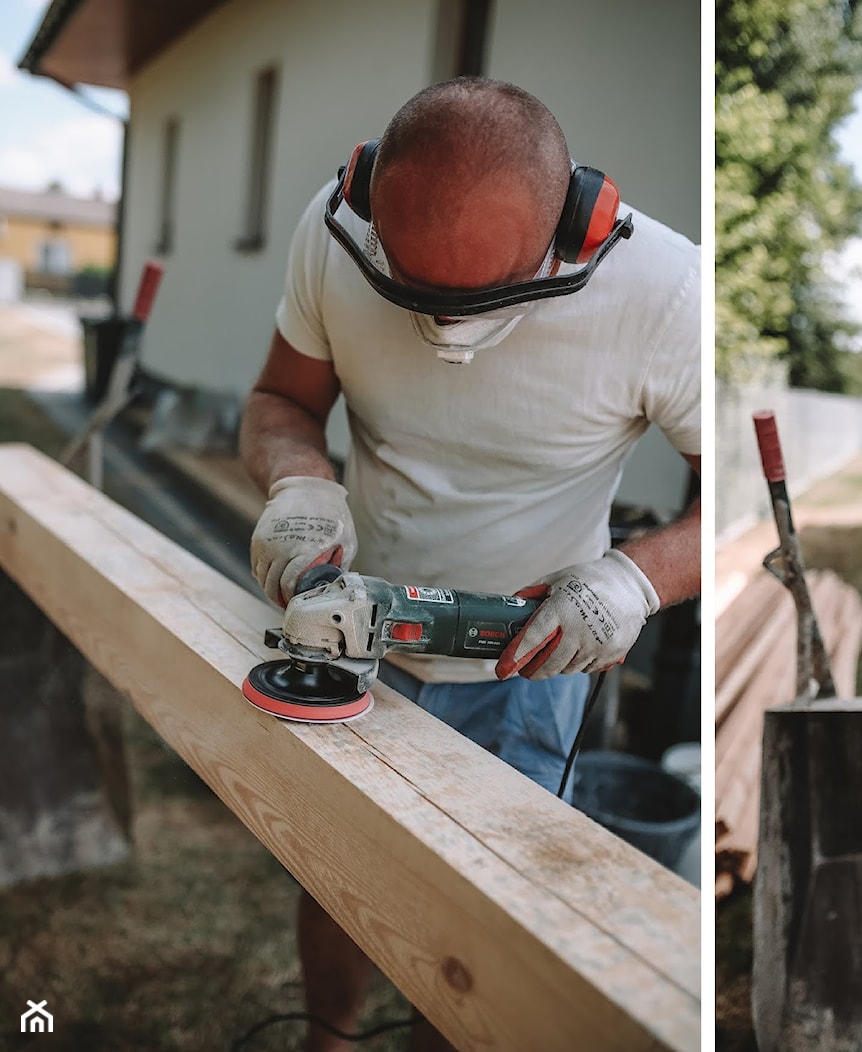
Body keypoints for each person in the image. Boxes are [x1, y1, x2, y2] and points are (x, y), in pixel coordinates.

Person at [238, 77, 701, 1052]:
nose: (446, 333)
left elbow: (738, 498)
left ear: (577, 228)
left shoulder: (665, 292)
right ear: (368, 200)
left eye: (485, 297)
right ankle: (328, 1038)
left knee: (488, 920)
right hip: (347, 624)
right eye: (416, 294)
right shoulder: (332, 235)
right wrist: (298, 486)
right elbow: (280, 400)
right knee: (338, 871)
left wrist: (634, 579)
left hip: (528, 658)